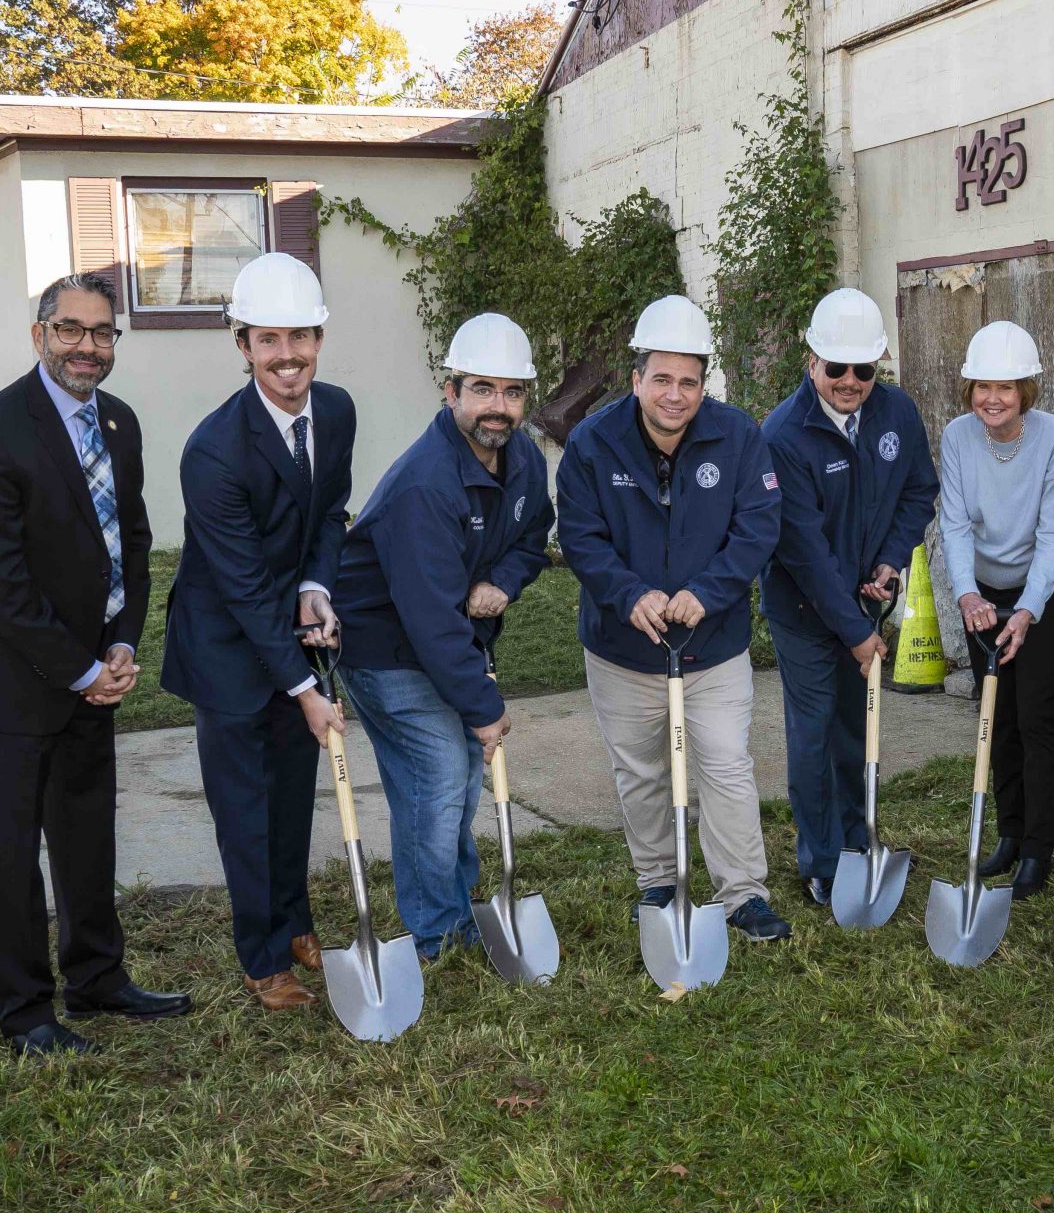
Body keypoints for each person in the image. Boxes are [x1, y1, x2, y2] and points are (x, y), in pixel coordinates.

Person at [0, 271, 189, 1057]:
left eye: (102, 332)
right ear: (40, 335)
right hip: (6, 689)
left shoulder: (119, 422)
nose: (87, 347)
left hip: (92, 680)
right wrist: (81, 669)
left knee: (86, 840)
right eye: (71, 329)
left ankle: (97, 977)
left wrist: (122, 644)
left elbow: (131, 543)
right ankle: (22, 1011)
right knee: (6, 857)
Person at [556, 295, 792, 942]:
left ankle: (743, 894)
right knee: (641, 772)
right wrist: (628, 594)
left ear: (703, 385)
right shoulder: (592, 443)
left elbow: (758, 525)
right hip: (622, 646)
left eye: (689, 381)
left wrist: (709, 591)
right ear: (636, 380)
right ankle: (660, 880)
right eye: (661, 379)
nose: (675, 395)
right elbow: (580, 534)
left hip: (712, 644)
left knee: (726, 763)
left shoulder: (738, 437)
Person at [159, 252, 354, 1012]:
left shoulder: (335, 411)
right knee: (246, 810)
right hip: (227, 647)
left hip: (288, 625)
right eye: (268, 340)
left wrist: (315, 586)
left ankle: (294, 919)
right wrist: (305, 689)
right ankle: (263, 957)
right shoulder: (214, 451)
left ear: (319, 339)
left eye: (300, 337)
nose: (287, 356)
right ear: (242, 344)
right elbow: (241, 589)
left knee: (292, 796)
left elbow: (329, 512)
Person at [330, 313, 553, 960]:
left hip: (444, 633)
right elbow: (429, 618)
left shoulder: (522, 460)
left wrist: (503, 580)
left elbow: (534, 533)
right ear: (451, 392)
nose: (498, 406)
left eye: (512, 391)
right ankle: (437, 929)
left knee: (459, 777)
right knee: (438, 773)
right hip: (384, 644)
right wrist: (483, 708)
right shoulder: (426, 483)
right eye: (482, 389)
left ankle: (454, 901)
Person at [760, 288, 938, 904]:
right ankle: (824, 861)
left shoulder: (898, 414)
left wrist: (891, 559)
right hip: (804, 609)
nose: (850, 382)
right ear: (811, 361)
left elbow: (917, 492)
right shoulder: (784, 435)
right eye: (836, 367)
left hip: (864, 597)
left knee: (855, 730)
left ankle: (860, 843)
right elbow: (804, 553)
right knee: (814, 731)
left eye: (864, 370)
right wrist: (860, 635)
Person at [938, 320, 1054, 894]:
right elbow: (954, 525)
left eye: (1006, 387)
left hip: (1042, 588)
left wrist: (1027, 610)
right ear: (969, 388)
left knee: (1035, 716)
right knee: (995, 715)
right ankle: (1010, 833)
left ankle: (1038, 849)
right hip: (983, 593)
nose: (992, 399)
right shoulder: (956, 438)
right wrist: (967, 594)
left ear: (1026, 390)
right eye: (982, 386)